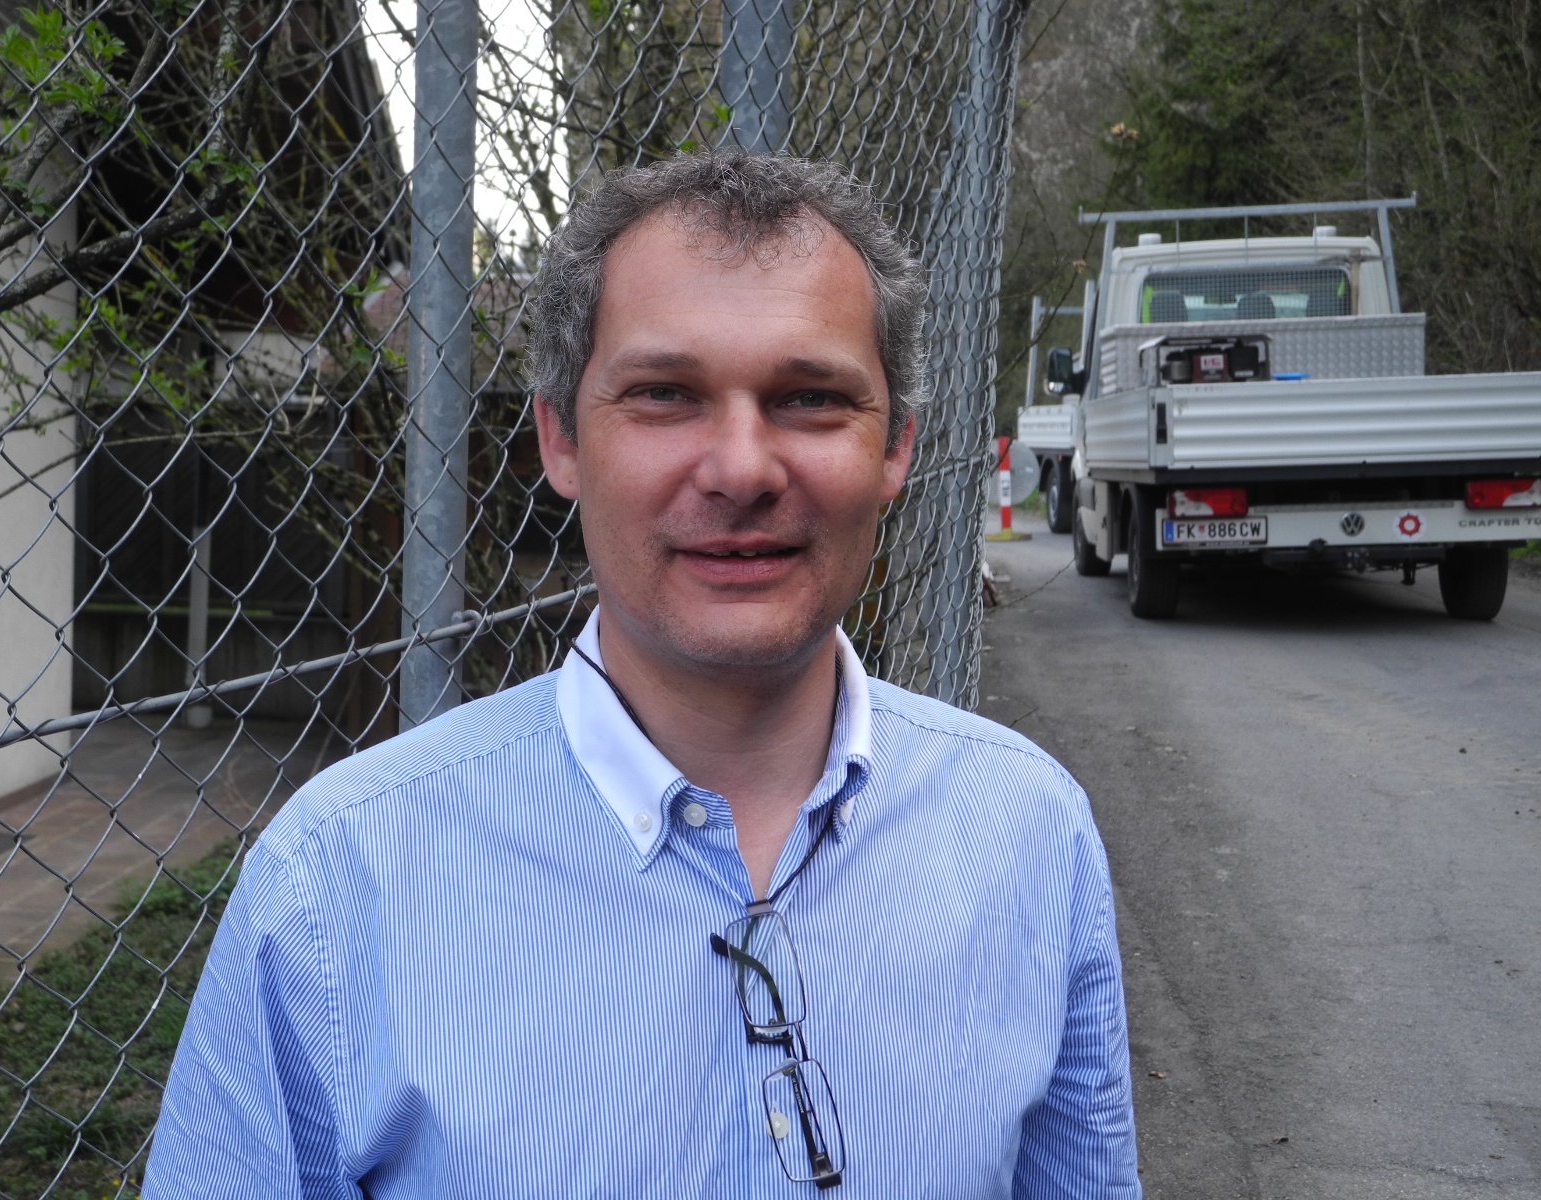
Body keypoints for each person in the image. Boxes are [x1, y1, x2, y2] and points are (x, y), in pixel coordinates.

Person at [148, 151, 1140, 1198]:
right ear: (562, 440)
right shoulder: (339, 885)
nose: (742, 469)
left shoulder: (1031, 838)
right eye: (665, 394)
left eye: (810, 398)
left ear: (896, 446)